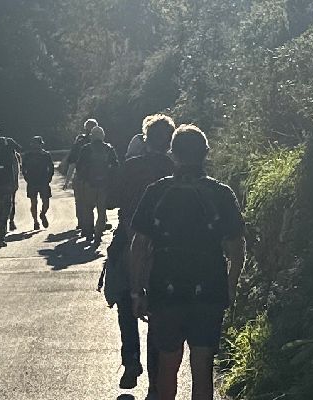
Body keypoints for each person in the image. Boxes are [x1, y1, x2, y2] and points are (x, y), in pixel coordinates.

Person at [129, 124, 244, 400]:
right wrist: (231, 286)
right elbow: (236, 246)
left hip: (165, 286)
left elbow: (138, 245)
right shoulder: (221, 193)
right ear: (205, 153)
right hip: (209, 286)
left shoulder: (156, 192)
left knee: (168, 364)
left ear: (173, 154)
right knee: (202, 366)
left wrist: (137, 290)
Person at [98, 114, 177, 390]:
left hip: (128, 239)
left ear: (145, 139)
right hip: (166, 246)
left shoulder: (130, 167)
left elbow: (109, 201)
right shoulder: (176, 168)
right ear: (170, 140)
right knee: (159, 309)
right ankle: (157, 377)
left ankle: (131, 360)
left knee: (123, 300)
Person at [68, 125, 116, 241]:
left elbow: (79, 167)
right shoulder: (108, 149)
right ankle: (98, 233)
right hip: (104, 185)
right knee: (101, 210)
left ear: (92, 136)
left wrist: (82, 180)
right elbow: (115, 166)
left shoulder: (86, 149)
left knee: (88, 209)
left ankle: (89, 232)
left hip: (89, 184)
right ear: (103, 135)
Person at [20, 136, 56, 230]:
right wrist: (27, 178)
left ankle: (42, 214)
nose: (36, 146)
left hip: (44, 181)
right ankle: (35, 222)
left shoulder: (46, 155)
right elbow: (23, 168)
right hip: (32, 181)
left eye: (38, 144)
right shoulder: (28, 155)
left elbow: (51, 167)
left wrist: (49, 178)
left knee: (46, 203)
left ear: (41, 144)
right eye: (34, 144)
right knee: (33, 203)